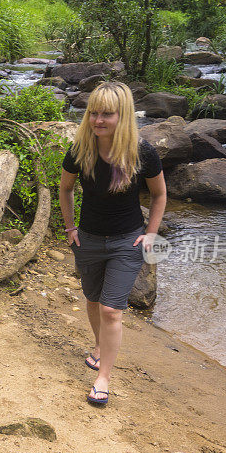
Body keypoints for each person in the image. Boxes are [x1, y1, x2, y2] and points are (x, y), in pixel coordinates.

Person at [59, 81, 166, 405]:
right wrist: (70, 229)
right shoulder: (81, 150)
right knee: (92, 300)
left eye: (107, 114)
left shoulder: (142, 152)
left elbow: (160, 195)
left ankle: (103, 378)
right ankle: (99, 345)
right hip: (88, 239)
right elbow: (65, 190)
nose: (98, 120)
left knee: (111, 310)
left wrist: (151, 233)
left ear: (124, 115)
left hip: (126, 243)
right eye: (93, 113)